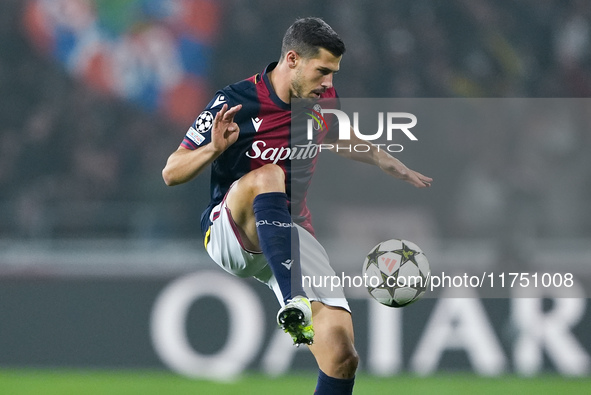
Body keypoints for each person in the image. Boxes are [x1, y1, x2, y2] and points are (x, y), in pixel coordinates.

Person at [162, 17, 432, 395]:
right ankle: (294, 300)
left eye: (334, 73)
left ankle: (297, 302)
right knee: (269, 175)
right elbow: (171, 172)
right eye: (323, 71)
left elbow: (339, 136)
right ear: (292, 60)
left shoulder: (321, 102)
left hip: (292, 233)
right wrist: (213, 149)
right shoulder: (235, 102)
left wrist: (388, 162)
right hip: (232, 230)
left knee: (342, 356)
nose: (329, 83)